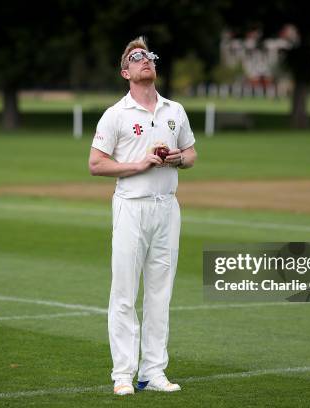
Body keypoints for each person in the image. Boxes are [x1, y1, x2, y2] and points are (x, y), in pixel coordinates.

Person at [88, 36, 197, 396]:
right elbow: (96, 164)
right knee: (124, 294)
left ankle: (153, 373)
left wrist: (177, 158)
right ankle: (123, 374)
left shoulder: (174, 110)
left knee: (160, 294)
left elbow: (192, 154)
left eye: (149, 56)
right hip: (131, 206)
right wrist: (141, 163)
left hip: (167, 205)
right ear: (126, 71)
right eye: (137, 57)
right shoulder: (115, 114)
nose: (145, 60)